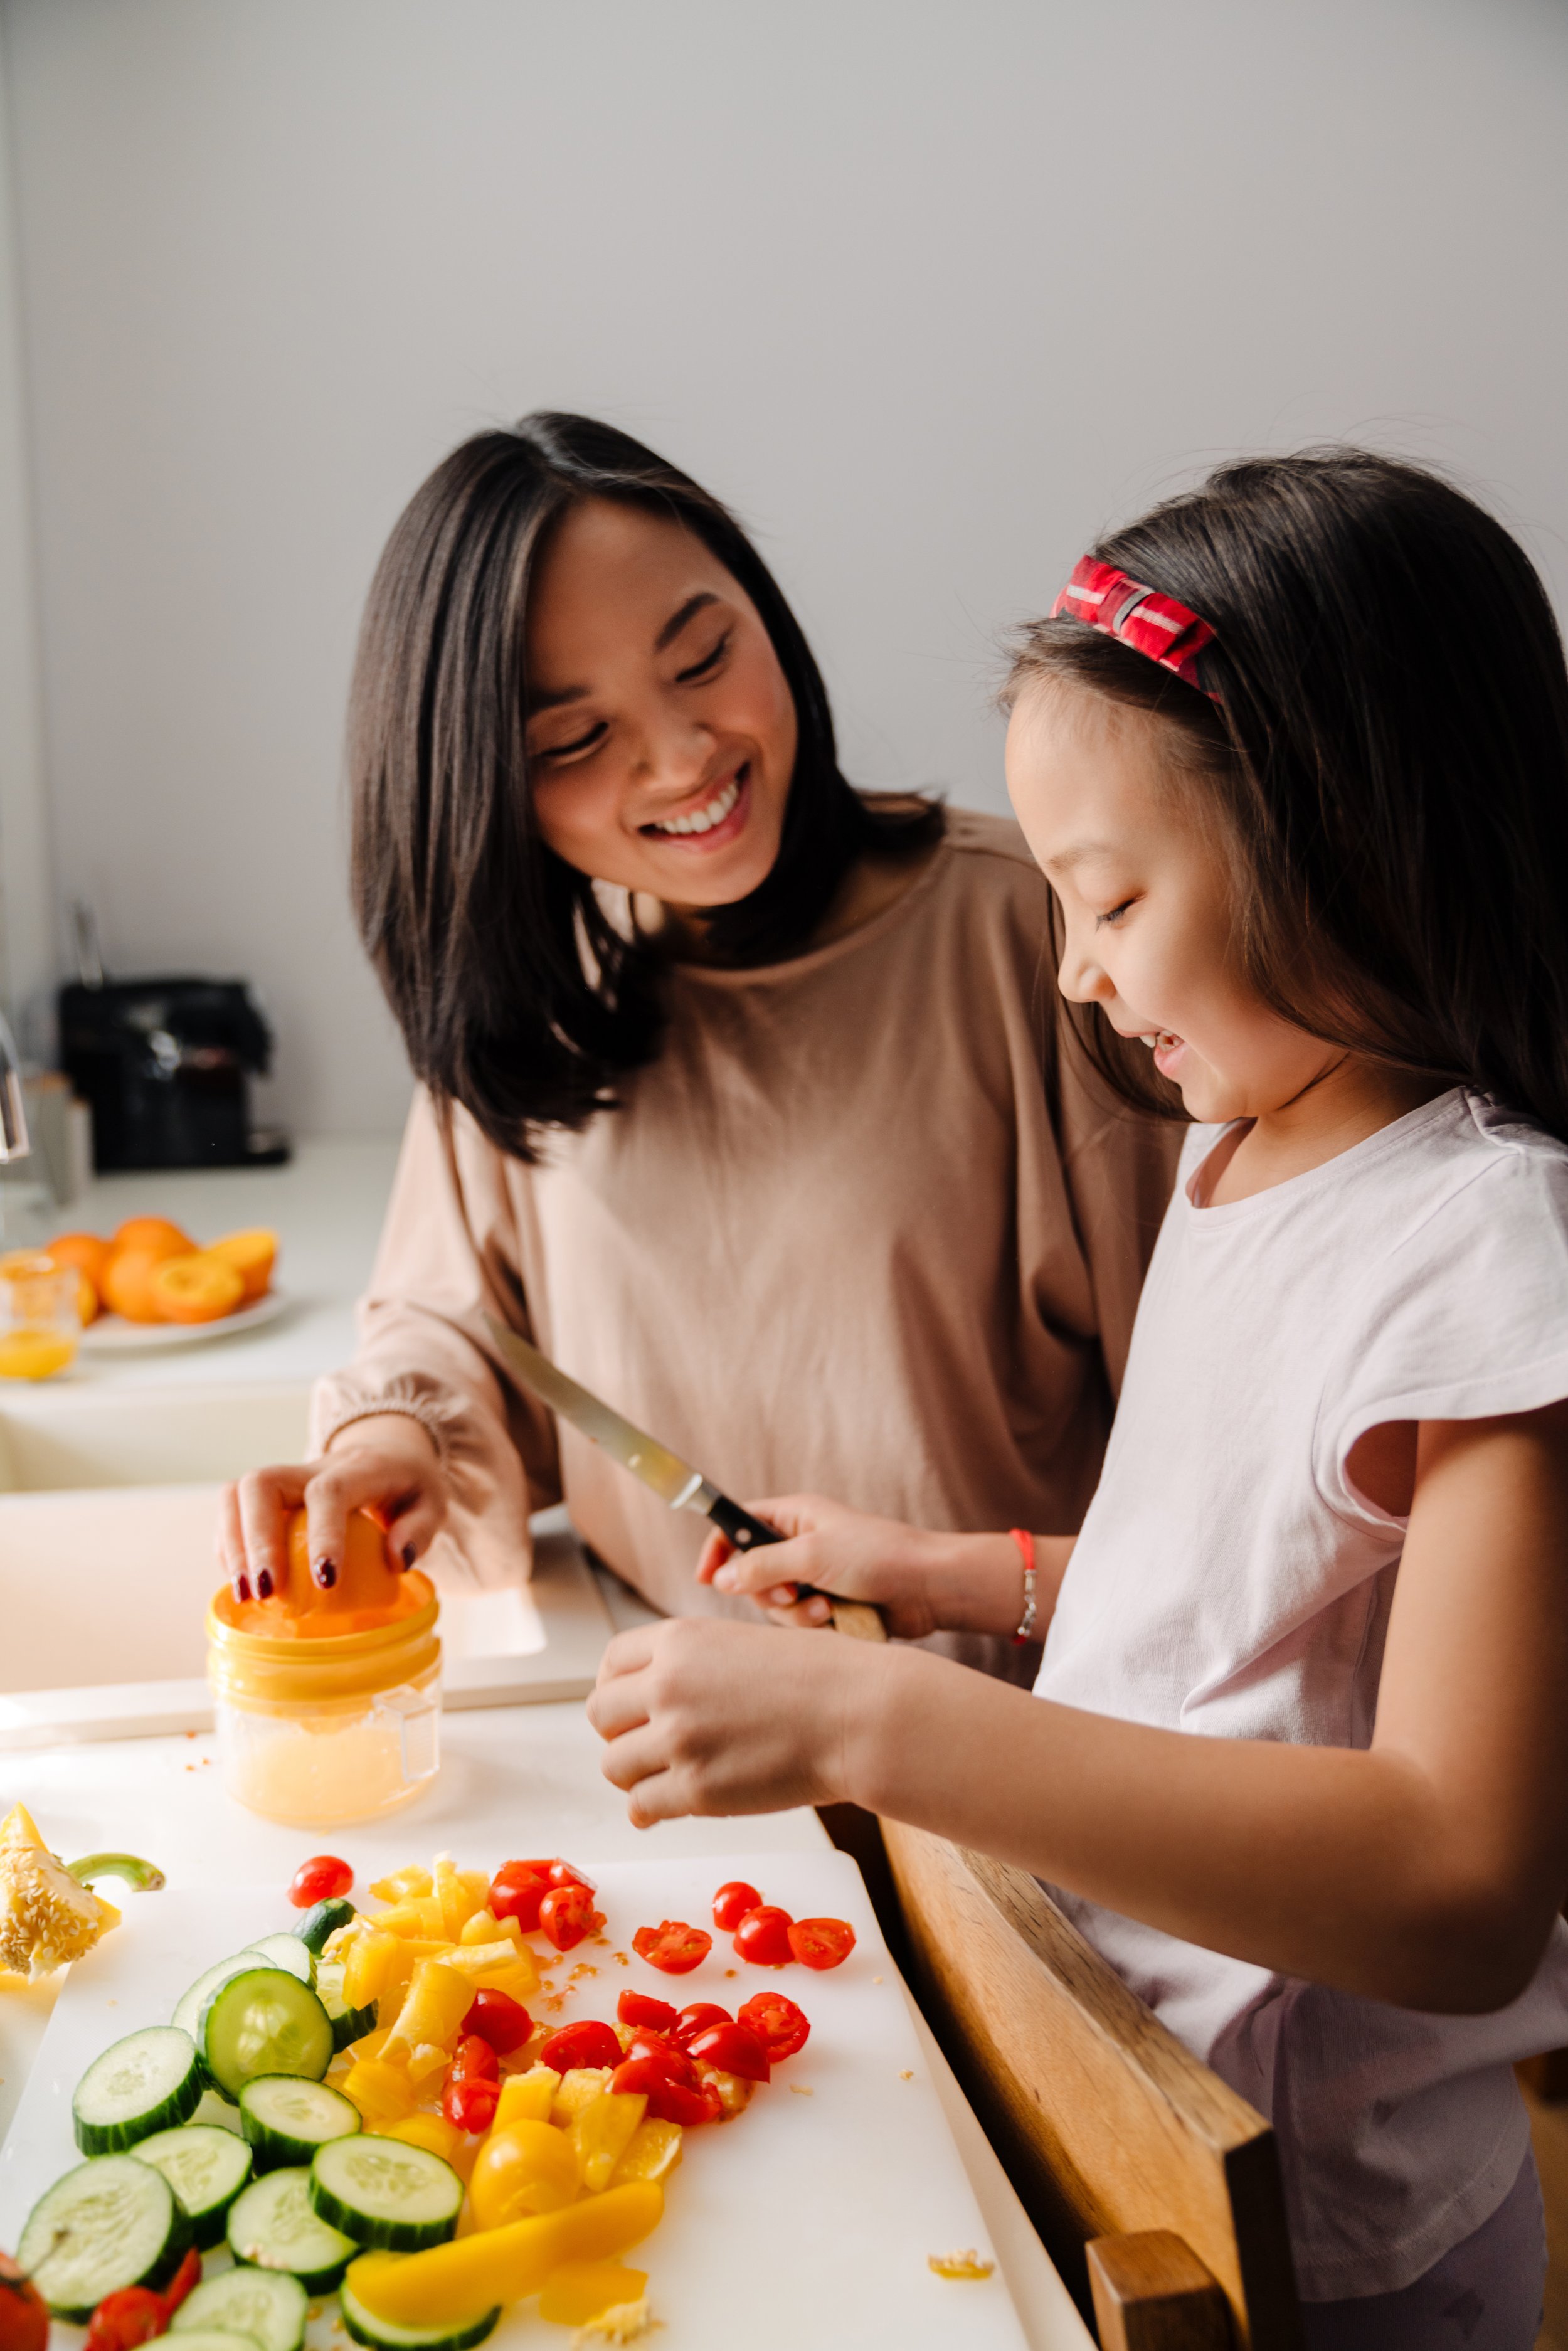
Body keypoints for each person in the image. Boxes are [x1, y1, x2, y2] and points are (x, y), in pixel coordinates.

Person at [587, 449, 1568, 2347]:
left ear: (1348, 836)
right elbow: (1246, 1609)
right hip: (1126, 2094)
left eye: (1106, 897)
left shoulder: (1486, 1255)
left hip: (1325, 2237)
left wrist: (886, 1720)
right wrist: (956, 1577)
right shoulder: (1241, 1148)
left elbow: (1457, 1879)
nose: (1072, 970)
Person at [220, 413, 1179, 1687]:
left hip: (1007, 1776)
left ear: (762, 612)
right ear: (480, 785)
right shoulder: (536, 989)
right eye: (574, 739)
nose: (681, 758)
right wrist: (389, 1436)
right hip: (683, 1771)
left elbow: (1231, 1474)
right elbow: (455, 1316)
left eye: (704, 654)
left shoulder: (1045, 937)